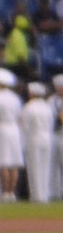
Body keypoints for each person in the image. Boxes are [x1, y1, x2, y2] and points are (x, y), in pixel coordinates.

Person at [0, 69, 21, 199]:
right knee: (14, 163)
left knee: (4, 162)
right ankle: (11, 192)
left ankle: (4, 192)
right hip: (14, 129)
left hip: (3, 128)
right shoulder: (15, 98)